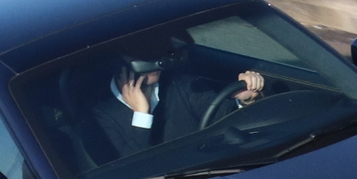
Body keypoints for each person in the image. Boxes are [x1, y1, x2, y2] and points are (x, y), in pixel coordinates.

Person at [108, 56, 263, 138]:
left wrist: (245, 100)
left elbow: (221, 119)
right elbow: (130, 171)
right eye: (142, 55)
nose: (156, 62)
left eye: (156, 52)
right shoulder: (101, 117)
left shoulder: (180, 85)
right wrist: (141, 114)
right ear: (119, 62)